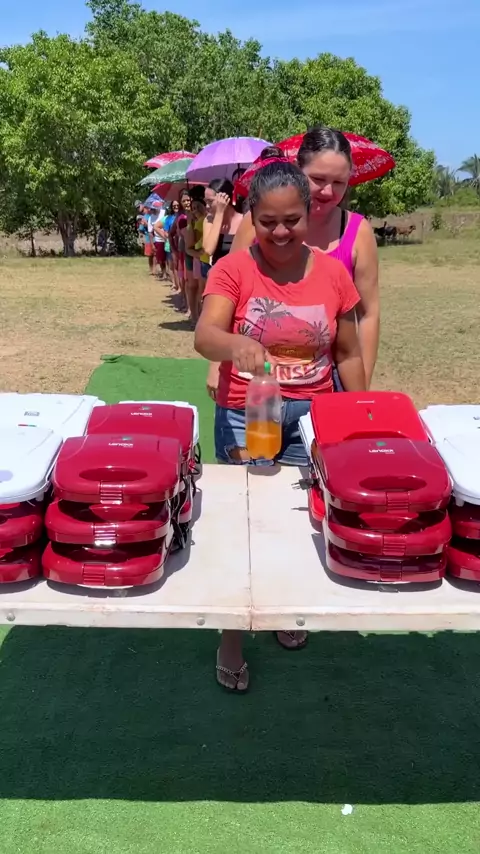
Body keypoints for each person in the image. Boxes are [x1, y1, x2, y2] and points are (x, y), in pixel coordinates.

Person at [195, 160, 366, 692]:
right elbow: (205, 335)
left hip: (312, 417)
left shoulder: (333, 274)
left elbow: (347, 352)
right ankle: (230, 637)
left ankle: (285, 610)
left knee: (296, 522)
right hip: (248, 413)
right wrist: (235, 344)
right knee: (243, 525)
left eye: (291, 220)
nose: (281, 232)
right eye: (268, 222)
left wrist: (361, 414)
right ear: (253, 216)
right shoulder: (234, 269)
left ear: (308, 215)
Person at [206, 127, 379, 398]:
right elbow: (228, 297)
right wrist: (217, 364)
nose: (327, 191)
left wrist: (361, 386)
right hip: (259, 376)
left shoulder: (358, 232)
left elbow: (368, 315)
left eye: (339, 182)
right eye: (318, 179)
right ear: (298, 171)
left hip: (327, 376)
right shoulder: (257, 222)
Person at [202, 178, 244, 265]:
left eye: (210, 201)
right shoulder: (209, 220)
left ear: (225, 199)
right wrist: (219, 213)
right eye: (205, 201)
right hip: (217, 271)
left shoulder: (244, 220)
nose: (207, 206)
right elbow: (208, 250)